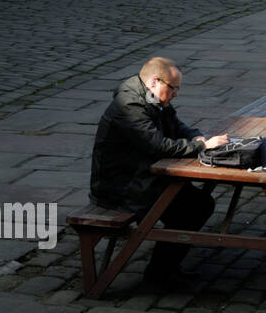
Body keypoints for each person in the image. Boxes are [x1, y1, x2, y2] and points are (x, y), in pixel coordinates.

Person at [90, 57, 228, 291]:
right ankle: (158, 276)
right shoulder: (130, 106)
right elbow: (157, 146)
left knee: (196, 202)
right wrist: (202, 147)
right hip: (120, 189)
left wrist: (197, 136)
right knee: (195, 207)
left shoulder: (152, 98)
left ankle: (164, 270)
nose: (176, 94)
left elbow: (176, 125)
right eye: (173, 88)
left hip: (141, 178)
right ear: (155, 81)